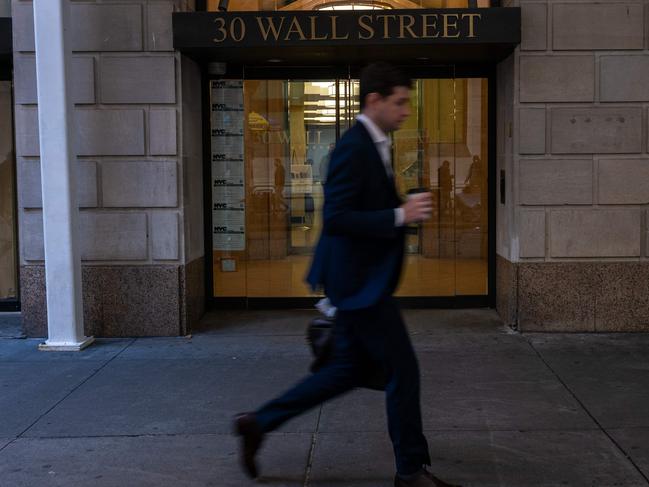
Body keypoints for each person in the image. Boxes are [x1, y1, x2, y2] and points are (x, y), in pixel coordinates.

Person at [234, 62, 461, 487]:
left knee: (343, 373)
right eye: (400, 102)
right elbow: (337, 218)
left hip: (362, 282)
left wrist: (402, 210)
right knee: (402, 372)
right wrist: (400, 213)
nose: (406, 111)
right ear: (374, 100)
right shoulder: (353, 147)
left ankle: (257, 423)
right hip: (359, 286)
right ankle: (410, 472)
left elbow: (363, 208)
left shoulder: (376, 143)